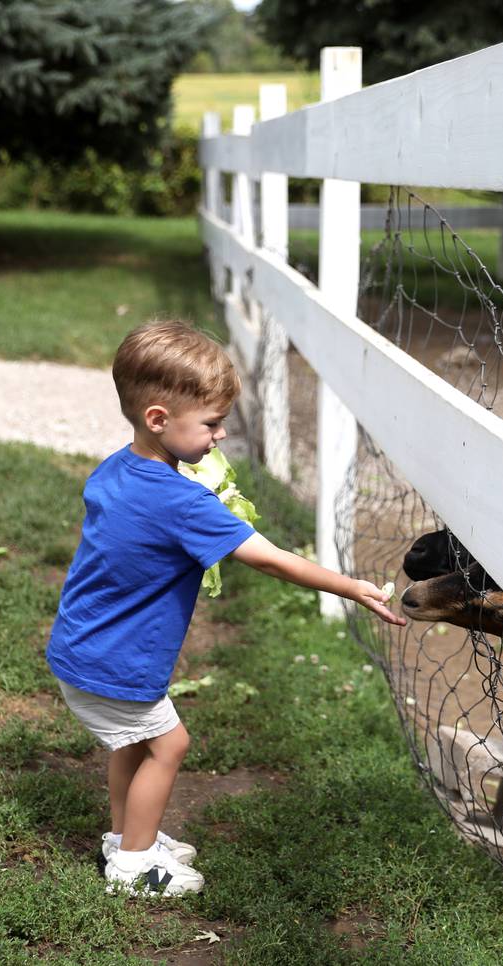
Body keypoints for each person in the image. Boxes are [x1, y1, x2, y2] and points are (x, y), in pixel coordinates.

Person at [46, 319, 405, 897]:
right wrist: (350, 586)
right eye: (212, 425)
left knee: (132, 743)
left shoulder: (118, 468)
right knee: (169, 744)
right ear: (158, 419)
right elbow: (267, 558)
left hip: (85, 645)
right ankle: (134, 868)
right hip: (117, 664)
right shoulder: (183, 500)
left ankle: (126, 836)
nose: (218, 438)